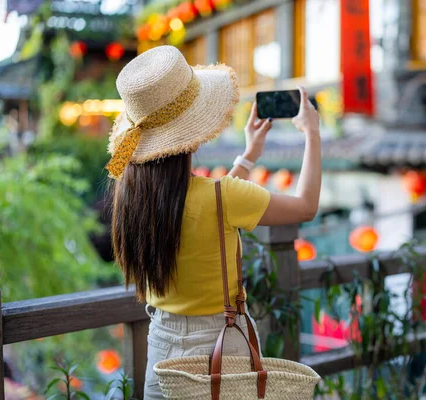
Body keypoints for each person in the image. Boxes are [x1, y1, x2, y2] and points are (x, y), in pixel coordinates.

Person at [105, 46, 321, 399]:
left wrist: (248, 156)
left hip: (161, 344)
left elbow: (209, 207)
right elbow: (305, 206)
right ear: (190, 132)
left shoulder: (132, 199)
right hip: (222, 343)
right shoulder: (221, 195)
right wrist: (312, 134)